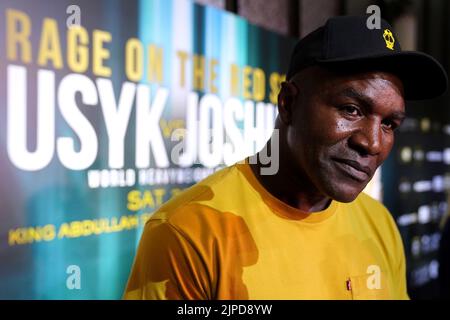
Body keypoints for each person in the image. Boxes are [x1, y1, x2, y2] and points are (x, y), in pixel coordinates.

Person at [123, 16, 447, 300]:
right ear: (288, 103)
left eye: (389, 124)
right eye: (351, 109)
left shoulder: (379, 223)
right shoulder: (189, 233)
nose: (372, 143)